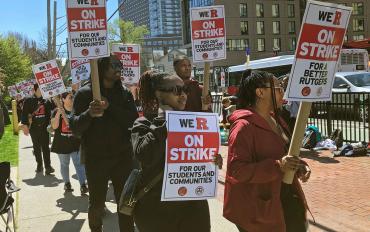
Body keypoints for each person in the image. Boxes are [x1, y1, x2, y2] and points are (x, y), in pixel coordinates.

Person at [131, 71, 222, 232]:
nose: (183, 95)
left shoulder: (193, 122)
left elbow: (202, 157)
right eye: (176, 90)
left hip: (193, 209)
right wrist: (164, 120)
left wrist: (213, 159)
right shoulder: (143, 123)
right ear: (157, 94)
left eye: (185, 90)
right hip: (157, 211)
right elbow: (144, 155)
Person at [223, 70, 311, 232]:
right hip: (259, 210)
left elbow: (284, 154)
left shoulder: (277, 119)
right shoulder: (243, 126)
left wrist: (299, 165)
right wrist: (278, 166)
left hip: (285, 196)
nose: (282, 92)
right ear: (260, 92)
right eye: (278, 88)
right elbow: (237, 170)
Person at [69, 55, 138, 232]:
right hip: (96, 159)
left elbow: (133, 121)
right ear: (101, 68)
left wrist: (110, 108)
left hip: (122, 157)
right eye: (113, 65)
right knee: (97, 205)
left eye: (120, 64)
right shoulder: (85, 94)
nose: (119, 68)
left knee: (125, 203)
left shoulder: (124, 93)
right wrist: (89, 114)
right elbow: (75, 128)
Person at [50, 91, 88, 194]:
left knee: (79, 164)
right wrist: (59, 112)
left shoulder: (77, 110)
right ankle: (67, 183)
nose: (72, 99)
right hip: (61, 144)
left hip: (75, 143)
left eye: (73, 97)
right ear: (63, 99)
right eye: (70, 97)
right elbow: (54, 126)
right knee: (64, 164)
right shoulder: (56, 111)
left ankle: (83, 185)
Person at [20, 84, 55, 174]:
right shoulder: (29, 100)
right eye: (40, 88)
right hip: (34, 128)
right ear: (35, 89)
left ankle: (48, 166)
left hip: (44, 128)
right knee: (36, 147)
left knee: (46, 147)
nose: (43, 89)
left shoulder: (46, 100)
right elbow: (24, 114)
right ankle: (39, 165)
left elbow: (52, 111)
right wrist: (25, 126)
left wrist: (54, 99)